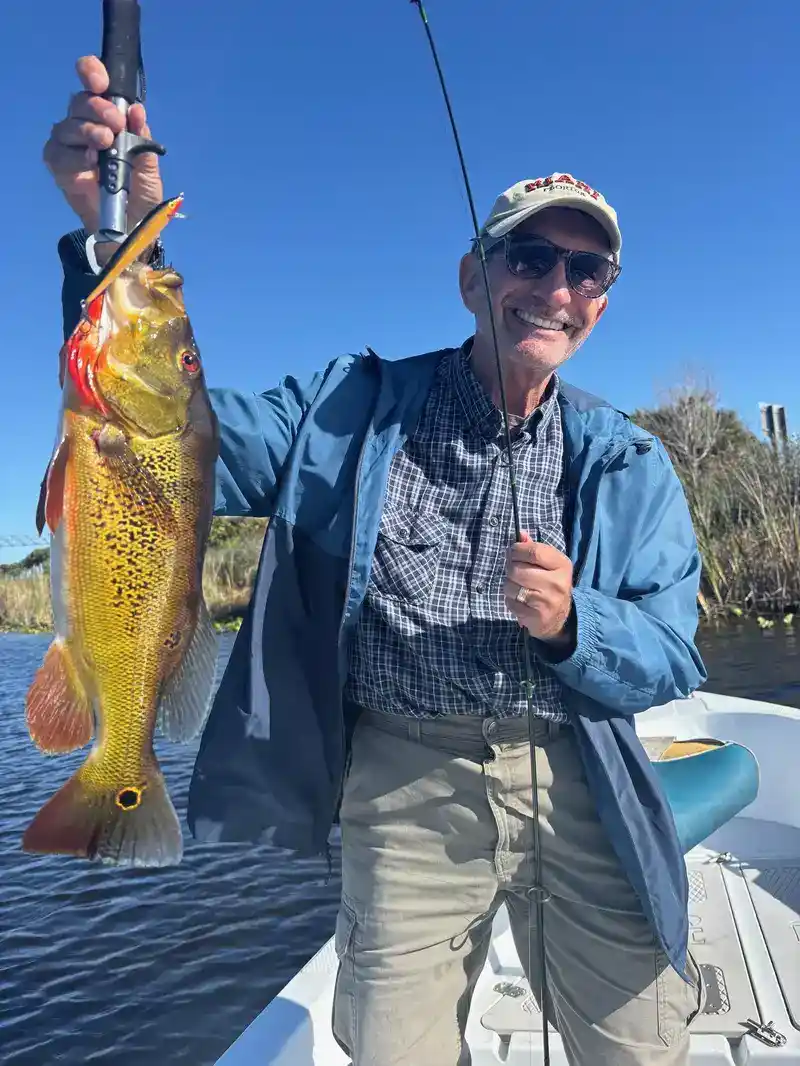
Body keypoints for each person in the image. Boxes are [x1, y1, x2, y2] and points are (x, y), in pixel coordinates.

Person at [45, 56, 708, 1066]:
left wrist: (577, 624)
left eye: (585, 272)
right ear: (471, 277)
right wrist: (112, 242)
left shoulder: (628, 459)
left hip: (580, 767)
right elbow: (162, 439)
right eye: (529, 257)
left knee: (638, 1043)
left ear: (602, 303)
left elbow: (671, 653)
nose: (556, 288)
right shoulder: (341, 412)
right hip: (401, 773)